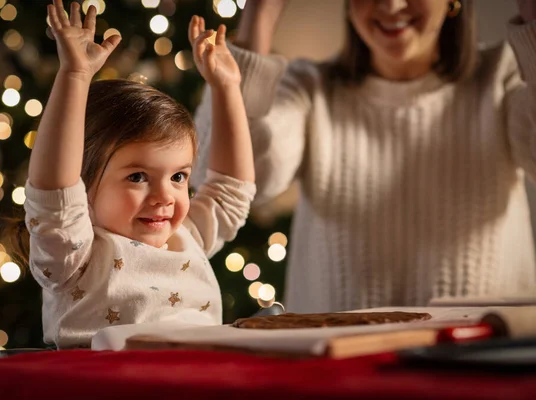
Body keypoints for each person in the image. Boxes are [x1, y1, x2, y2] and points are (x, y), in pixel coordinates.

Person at [192, 0, 536, 313]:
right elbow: (220, 180)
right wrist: (261, 14)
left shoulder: (501, 76)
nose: (391, 4)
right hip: (335, 365)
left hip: (485, 361)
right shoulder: (309, 87)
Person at [10, 0, 255, 348]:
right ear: (80, 183)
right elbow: (54, 191)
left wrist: (228, 88)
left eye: (179, 177)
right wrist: (75, 76)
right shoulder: (73, 253)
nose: (165, 197)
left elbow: (231, 191)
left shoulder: (188, 237)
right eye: (138, 176)